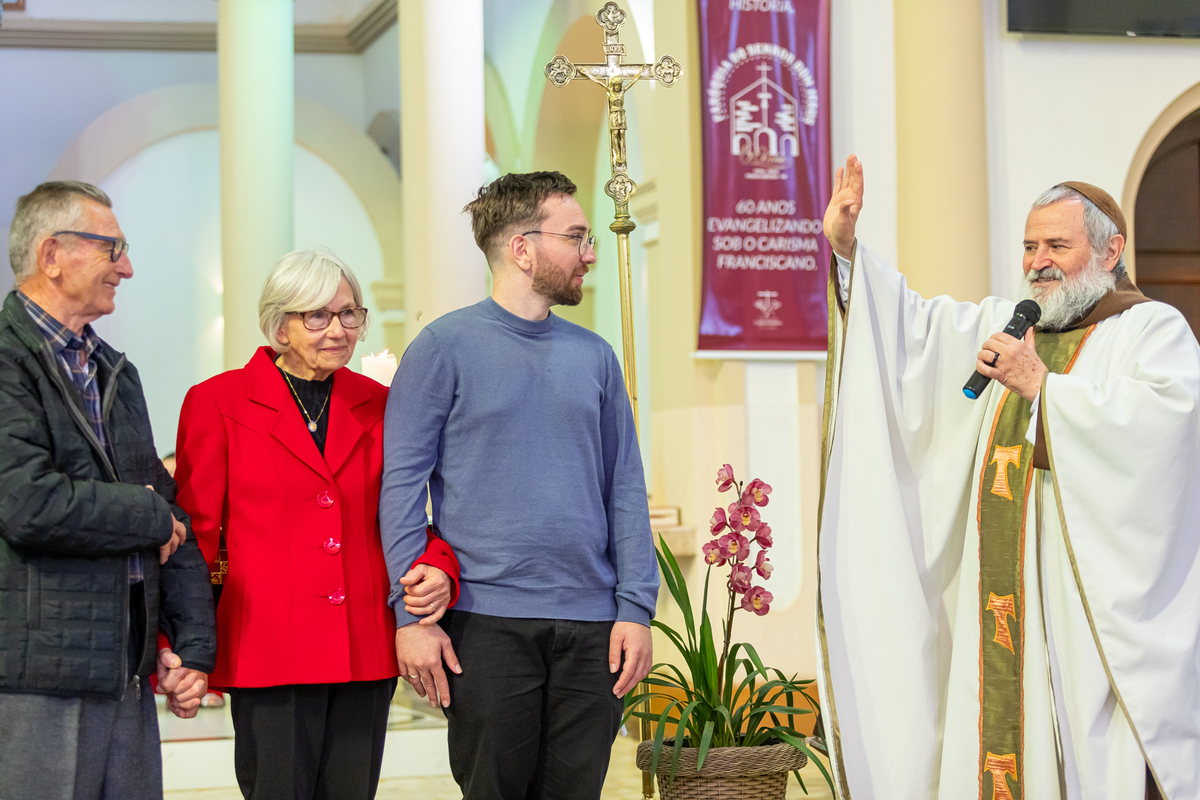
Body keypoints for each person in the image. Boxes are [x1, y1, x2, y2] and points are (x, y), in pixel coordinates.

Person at [816, 155, 1200, 800]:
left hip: (1085, 609)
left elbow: (1166, 431)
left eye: (1057, 246)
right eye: (1029, 246)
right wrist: (849, 251)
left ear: (1111, 251)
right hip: (1004, 595)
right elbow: (913, 330)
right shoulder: (1009, 323)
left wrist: (1046, 390)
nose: (1038, 262)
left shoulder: (1149, 330)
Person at [381, 171, 659, 800]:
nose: (590, 254)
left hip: (593, 626)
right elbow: (400, 489)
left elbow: (624, 487)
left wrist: (635, 609)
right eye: (576, 237)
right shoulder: (443, 347)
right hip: (485, 624)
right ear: (522, 248)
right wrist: (411, 618)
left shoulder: (596, 356)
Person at [174, 248, 461, 800]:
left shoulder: (382, 404)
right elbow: (197, 538)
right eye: (318, 316)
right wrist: (188, 647)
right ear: (280, 324)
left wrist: (438, 564)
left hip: (364, 645)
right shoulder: (217, 402)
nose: (338, 329)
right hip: (267, 647)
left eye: (349, 313)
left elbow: (408, 511)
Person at [0, 181, 216, 800]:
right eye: (111, 248)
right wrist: (147, 513)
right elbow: (30, 503)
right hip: (39, 676)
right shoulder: (7, 360)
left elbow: (174, 516)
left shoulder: (115, 371)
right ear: (51, 254)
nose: (127, 268)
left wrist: (194, 649)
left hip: (126, 668)